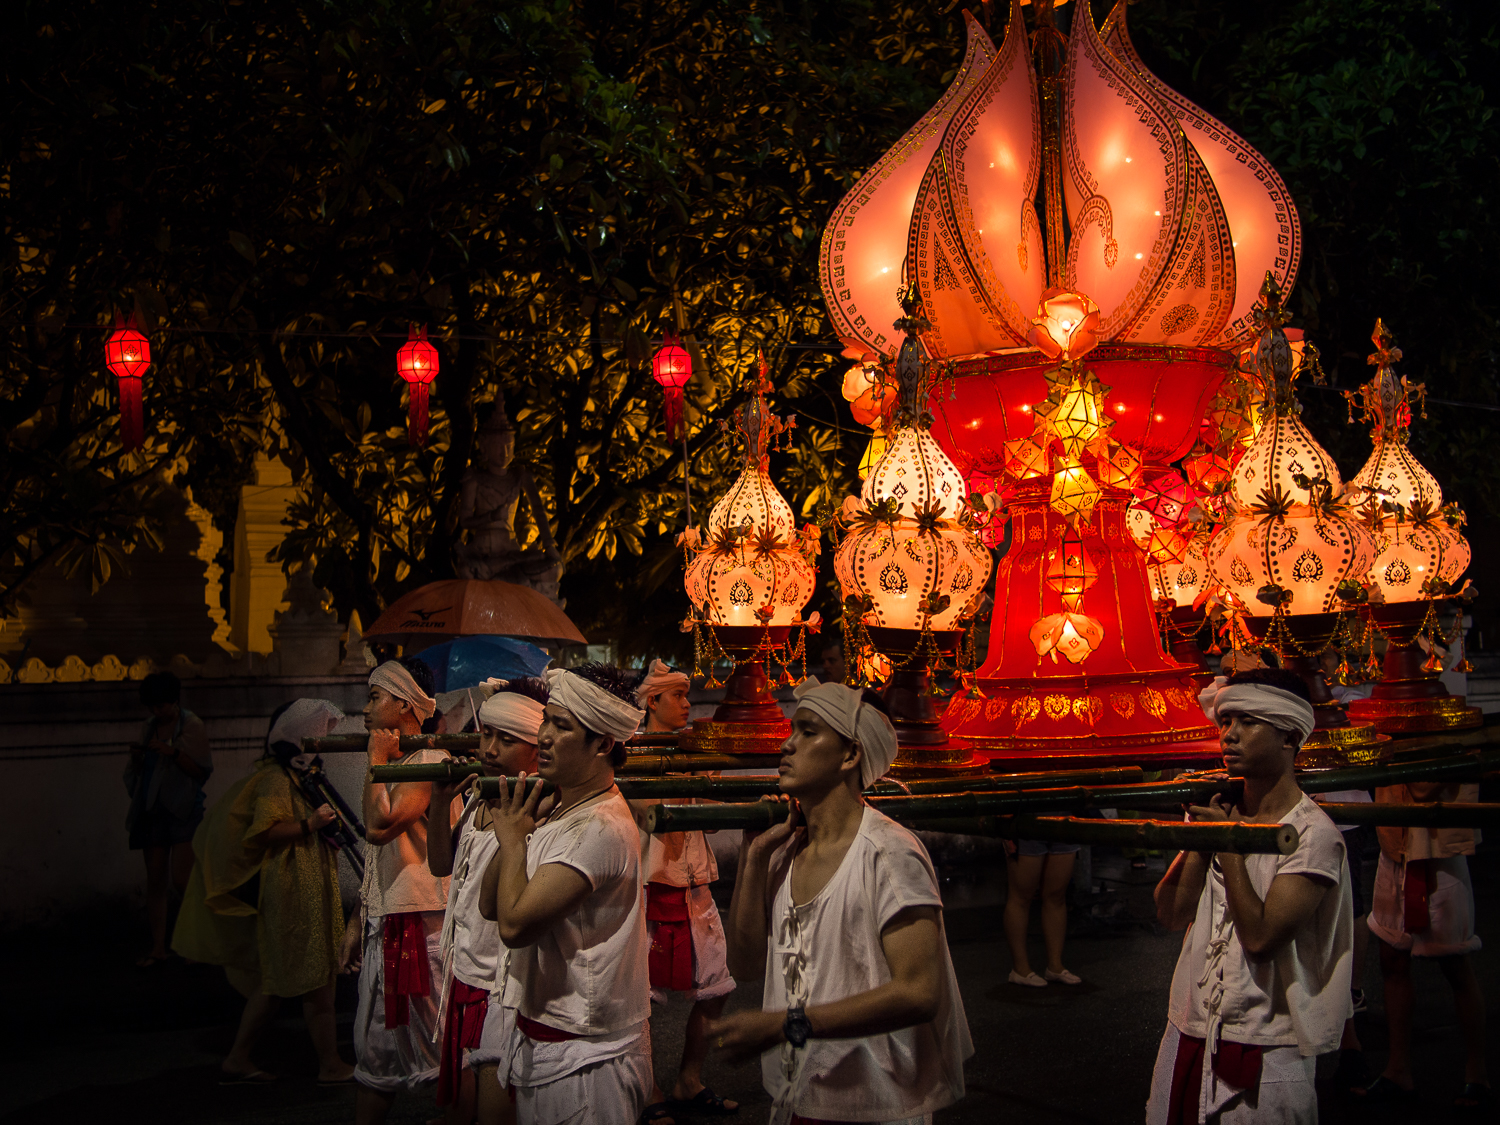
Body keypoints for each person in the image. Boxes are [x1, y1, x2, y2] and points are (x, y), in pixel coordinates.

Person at [714, 679, 972, 1125]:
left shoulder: (889, 852)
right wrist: (753, 856)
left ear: (850, 754)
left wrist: (787, 1024)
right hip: (798, 1095)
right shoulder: (785, 851)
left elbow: (919, 992)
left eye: (808, 732)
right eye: (791, 731)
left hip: (874, 1103)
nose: (787, 745)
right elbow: (746, 965)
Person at [1148, 668, 1353, 1124]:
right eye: (1225, 721)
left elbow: (1261, 939)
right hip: (1192, 1023)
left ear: (1289, 736)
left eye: (1248, 721)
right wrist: (1204, 839)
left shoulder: (1314, 835)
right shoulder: (1217, 811)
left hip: (1268, 1041)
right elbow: (1171, 913)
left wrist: (1227, 842)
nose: (1229, 735)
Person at [478, 663, 653, 1125]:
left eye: (561, 726)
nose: (544, 737)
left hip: (587, 1062)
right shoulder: (560, 808)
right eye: (546, 721)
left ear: (604, 744)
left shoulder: (598, 827)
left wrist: (513, 840)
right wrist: (520, 829)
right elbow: (489, 906)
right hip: (551, 1042)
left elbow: (514, 926)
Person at [171, 698, 356, 1085]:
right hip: (289, 888)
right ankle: (328, 1064)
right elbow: (263, 832)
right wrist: (309, 825)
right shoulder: (275, 778)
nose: (319, 744)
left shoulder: (298, 775)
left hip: (305, 884)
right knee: (311, 979)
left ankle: (242, 1057)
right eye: (314, 736)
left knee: (282, 981)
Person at [427, 678, 549, 1125]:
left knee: (496, 1103)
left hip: (504, 978)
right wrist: (440, 802)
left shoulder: (538, 809)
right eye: (487, 735)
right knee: (465, 1102)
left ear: (537, 748)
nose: (490, 749)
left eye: (507, 739)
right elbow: (441, 865)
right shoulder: (479, 795)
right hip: (465, 969)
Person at [345, 657, 454, 1125]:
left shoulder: (429, 761)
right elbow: (377, 859)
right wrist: (358, 919)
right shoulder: (397, 762)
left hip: (422, 922)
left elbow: (379, 827)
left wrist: (375, 760)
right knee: (376, 1058)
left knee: (441, 1052)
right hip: (386, 918)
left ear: (405, 704)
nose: (365, 708)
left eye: (375, 697)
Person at [632, 660, 738, 1122]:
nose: (687, 704)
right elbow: (651, 814)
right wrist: (688, 771)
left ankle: (688, 1079)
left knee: (718, 987)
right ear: (653, 700)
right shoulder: (633, 751)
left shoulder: (689, 748)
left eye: (687, 695)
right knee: (640, 1001)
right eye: (678, 695)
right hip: (652, 886)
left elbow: (710, 822)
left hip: (696, 886)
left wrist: (706, 770)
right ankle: (648, 1089)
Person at [1355, 778, 1490, 1111]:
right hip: (1394, 840)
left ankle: (1478, 1071)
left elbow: (1425, 787)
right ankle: (1398, 1070)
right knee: (1392, 958)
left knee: (1456, 964)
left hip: (1438, 845)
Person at [125, 670, 214, 967]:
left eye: (161, 706)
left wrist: (172, 753)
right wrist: (139, 757)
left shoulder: (191, 725)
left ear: (174, 701)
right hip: (152, 809)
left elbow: (200, 771)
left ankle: (195, 943)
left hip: (183, 809)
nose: (156, 711)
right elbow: (137, 773)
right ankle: (158, 948)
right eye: (152, 706)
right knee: (156, 880)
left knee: (182, 879)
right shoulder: (149, 726)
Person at [1002, 834, 1081, 987]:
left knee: (1056, 895)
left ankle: (1055, 966)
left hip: (1063, 824)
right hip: (1025, 826)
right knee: (1021, 897)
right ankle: (1020, 969)